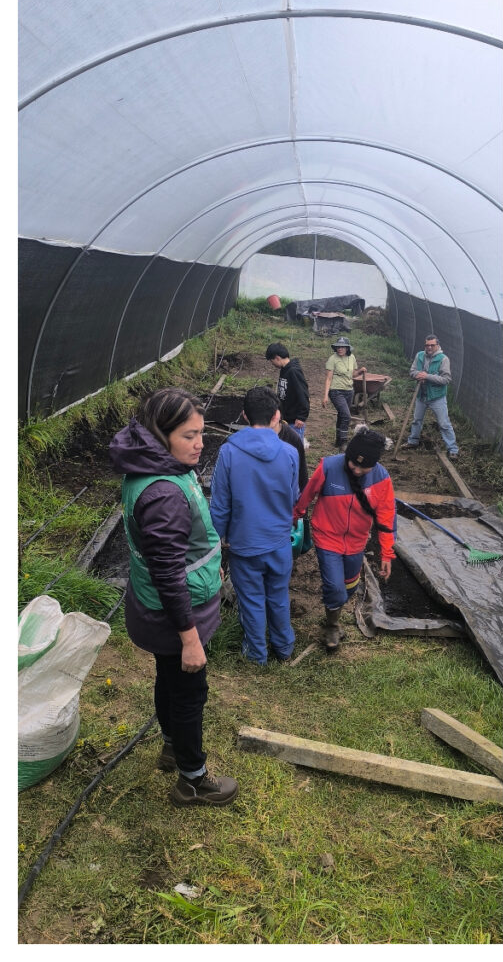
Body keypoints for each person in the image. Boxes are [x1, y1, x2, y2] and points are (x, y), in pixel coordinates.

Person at [108, 387, 238, 806]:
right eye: (189, 435)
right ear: (161, 435)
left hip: (157, 604)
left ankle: (171, 745)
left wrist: (210, 562)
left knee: (168, 678)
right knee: (188, 694)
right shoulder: (163, 494)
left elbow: (180, 549)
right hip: (175, 615)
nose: (200, 444)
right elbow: (167, 572)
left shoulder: (155, 464)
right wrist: (190, 638)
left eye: (202, 433)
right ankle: (193, 780)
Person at [210, 386, 299, 666]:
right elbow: (293, 497)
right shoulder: (290, 453)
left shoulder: (228, 452)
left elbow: (220, 505)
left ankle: (256, 654)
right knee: (278, 596)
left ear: (245, 415)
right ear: (276, 416)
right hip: (279, 543)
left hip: (245, 544)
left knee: (251, 600)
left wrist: (216, 545)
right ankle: (284, 647)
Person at [293, 427, 396, 649]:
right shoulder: (329, 467)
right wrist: (296, 516)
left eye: (363, 467)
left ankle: (333, 613)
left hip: (357, 541)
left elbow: (387, 518)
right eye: (353, 463)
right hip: (327, 536)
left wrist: (387, 553)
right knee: (335, 588)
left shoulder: (382, 479)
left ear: (375, 464)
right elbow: (307, 495)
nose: (356, 470)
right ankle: (331, 625)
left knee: (349, 587)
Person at [401, 334, 459, 457]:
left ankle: (453, 449)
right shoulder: (419, 355)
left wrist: (427, 376)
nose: (429, 347)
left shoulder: (443, 359)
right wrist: (418, 375)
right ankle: (413, 441)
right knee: (417, 420)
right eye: (427, 345)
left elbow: (446, 379)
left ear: (437, 345)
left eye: (432, 345)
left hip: (437, 397)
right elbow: (412, 371)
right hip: (421, 395)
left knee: (444, 423)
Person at [322, 335, 367, 450]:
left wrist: (360, 371)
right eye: (338, 347)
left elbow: (352, 374)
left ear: (347, 348)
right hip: (336, 391)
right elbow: (328, 379)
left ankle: (338, 441)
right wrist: (325, 396)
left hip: (349, 391)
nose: (340, 349)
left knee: (342, 415)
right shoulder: (332, 359)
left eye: (342, 347)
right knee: (346, 415)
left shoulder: (352, 357)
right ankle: (343, 442)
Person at [265, 342, 309, 432]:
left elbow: (303, 394)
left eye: (272, 361)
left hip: (295, 421)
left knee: (293, 441)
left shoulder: (293, 371)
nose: (272, 364)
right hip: (286, 418)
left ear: (277, 358)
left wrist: (302, 416)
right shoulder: (284, 369)